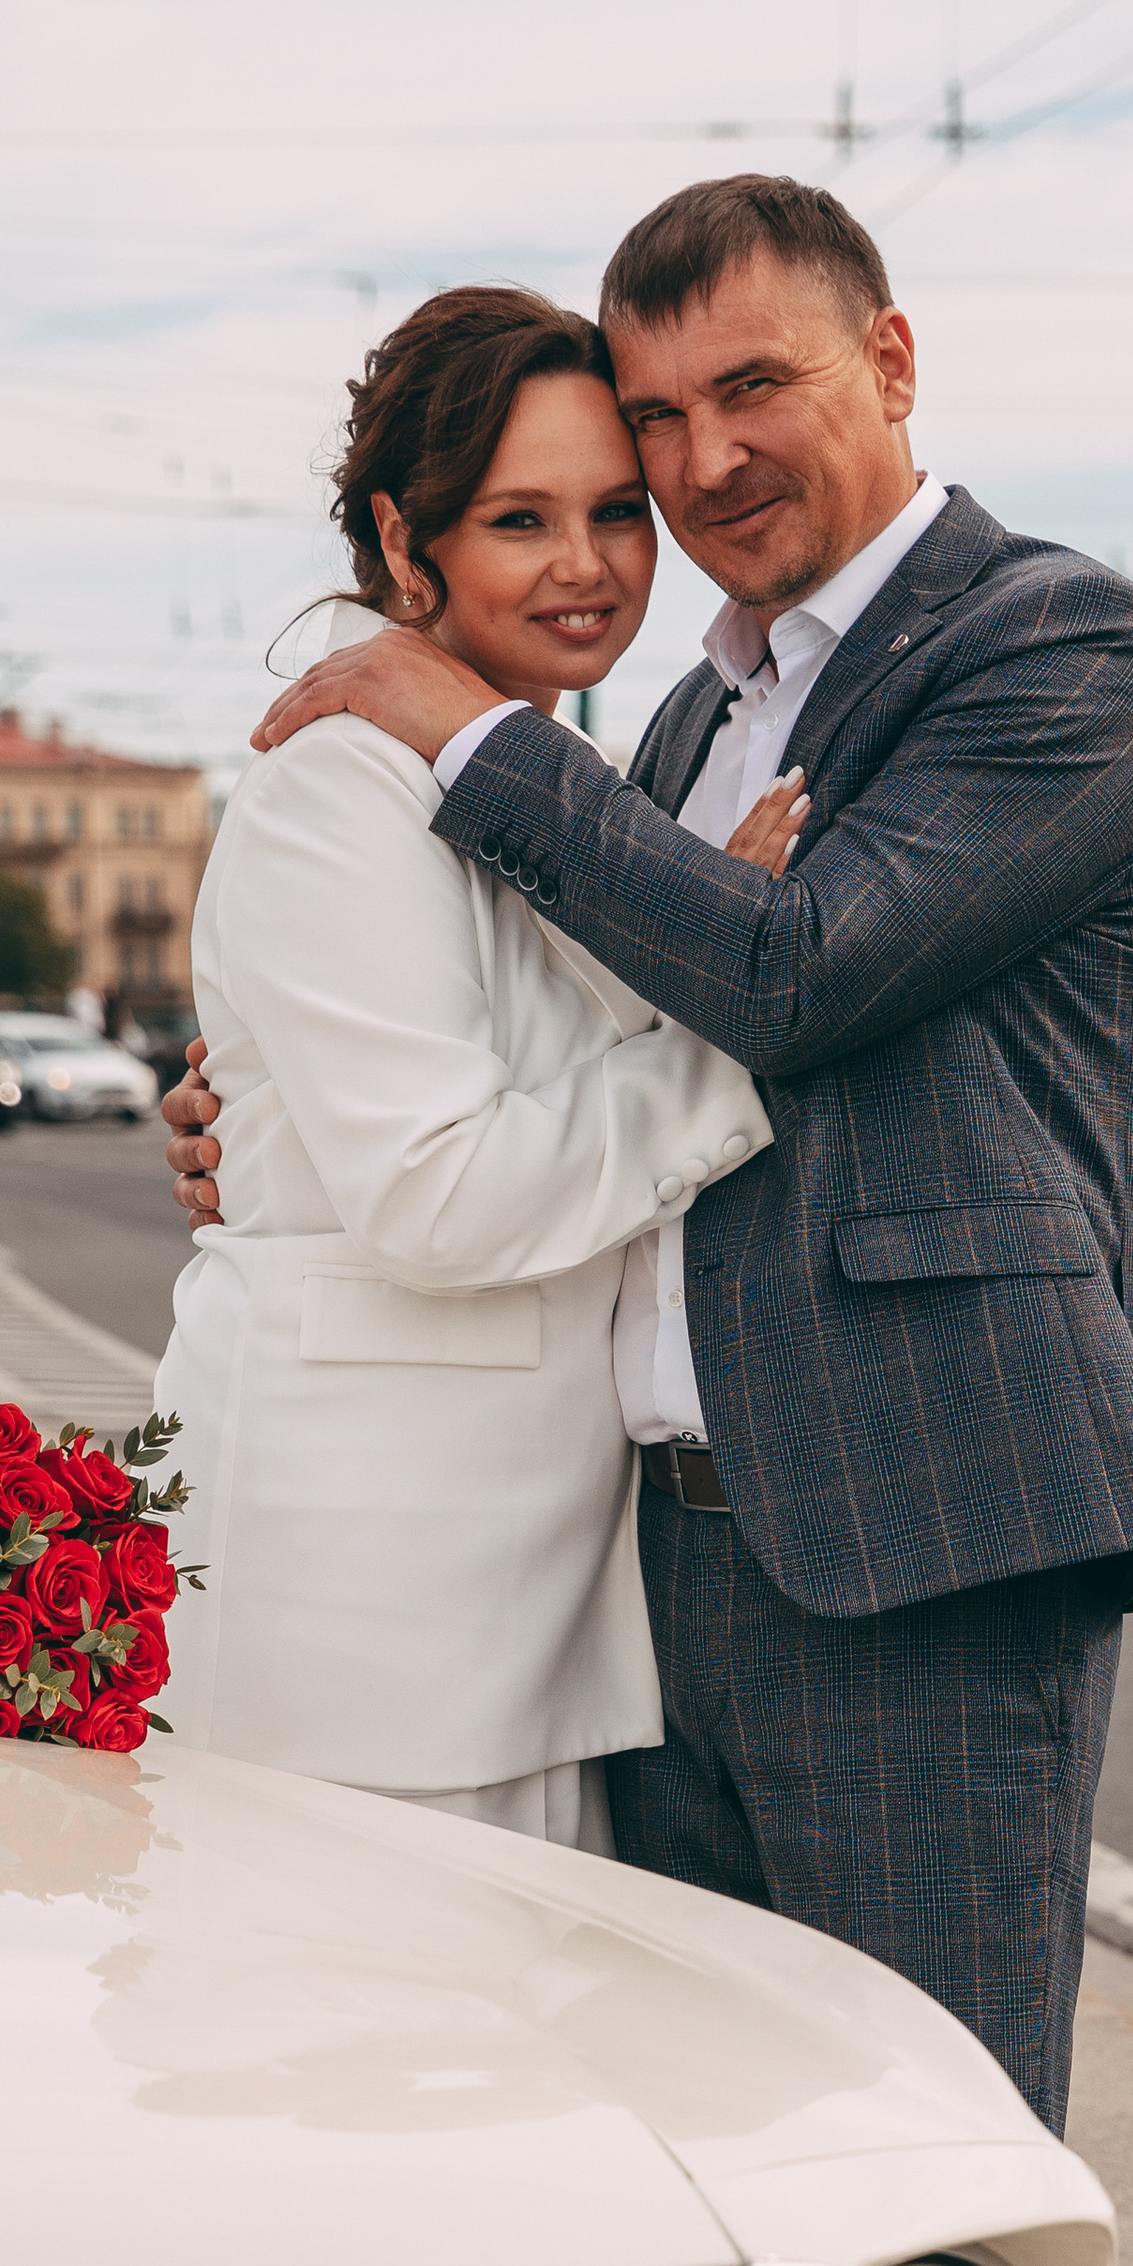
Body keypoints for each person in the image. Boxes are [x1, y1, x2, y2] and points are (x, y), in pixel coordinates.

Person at [173, 175, 1133, 2266]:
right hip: (671, 1559)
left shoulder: (1049, 644)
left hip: (914, 1546)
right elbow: (522, 1037)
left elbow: (769, 973)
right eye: (648, 442)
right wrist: (293, 1097)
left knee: (927, 2254)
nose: (700, 476)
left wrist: (458, 730)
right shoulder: (693, 698)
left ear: (888, 354)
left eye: (749, 400)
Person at [158, 285, 788, 1844]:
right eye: (520, 518)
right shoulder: (338, 787)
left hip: (500, 1583)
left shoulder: (554, 772)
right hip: (369, 1593)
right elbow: (438, 1193)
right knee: (341, 2053)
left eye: (616, 512)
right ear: (401, 538)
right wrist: (751, 1025)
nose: (586, 565)